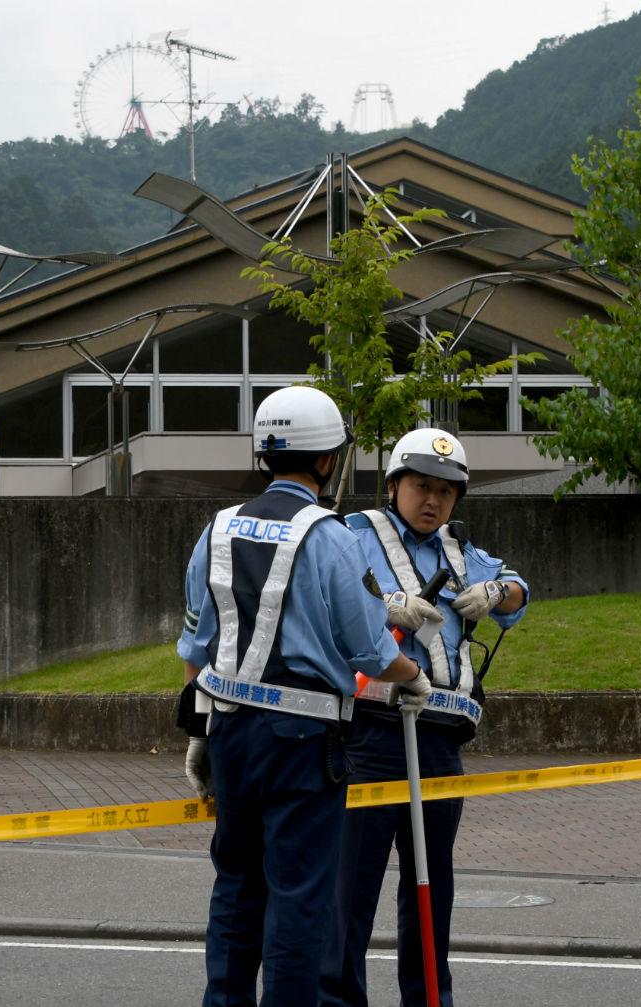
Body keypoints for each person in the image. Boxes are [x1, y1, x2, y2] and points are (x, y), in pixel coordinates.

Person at [176, 385, 429, 1007]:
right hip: (304, 740)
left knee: (235, 888)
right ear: (325, 461)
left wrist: (196, 731)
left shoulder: (217, 529)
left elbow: (194, 646)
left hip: (229, 730)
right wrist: (413, 676)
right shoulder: (332, 536)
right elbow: (369, 649)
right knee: (298, 900)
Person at [319, 428, 528, 1007]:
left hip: (439, 741)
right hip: (370, 735)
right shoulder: (352, 536)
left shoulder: (461, 552)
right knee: (351, 891)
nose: (433, 500)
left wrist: (496, 591)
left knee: (430, 891)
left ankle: (430, 999)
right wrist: (386, 606)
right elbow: (325, 596)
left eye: (445, 491)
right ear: (393, 486)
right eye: (421, 486)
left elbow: (520, 590)